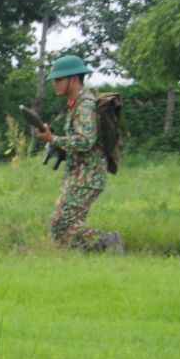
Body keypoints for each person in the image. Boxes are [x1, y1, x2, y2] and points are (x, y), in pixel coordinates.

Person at [34, 55, 122, 253]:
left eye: (58, 80)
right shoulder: (76, 103)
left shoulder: (84, 105)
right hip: (79, 175)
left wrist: (53, 139)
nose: (54, 84)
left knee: (61, 222)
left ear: (73, 79)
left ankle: (108, 241)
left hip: (87, 177)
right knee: (63, 225)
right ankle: (84, 256)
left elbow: (85, 141)